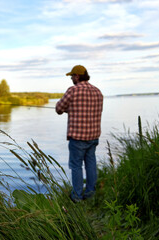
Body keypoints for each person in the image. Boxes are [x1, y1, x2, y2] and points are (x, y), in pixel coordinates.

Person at [56, 65, 103, 202]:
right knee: (91, 164)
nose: (71, 78)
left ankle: (76, 196)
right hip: (93, 136)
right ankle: (90, 193)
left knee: (76, 166)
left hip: (78, 137)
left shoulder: (73, 90)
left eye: (72, 76)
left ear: (77, 76)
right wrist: (72, 109)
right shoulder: (98, 91)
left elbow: (59, 108)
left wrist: (69, 109)